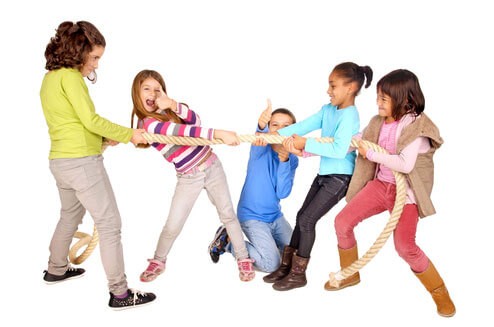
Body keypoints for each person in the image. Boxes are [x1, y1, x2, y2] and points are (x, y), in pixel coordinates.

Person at [40, 21, 156, 310]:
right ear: (78, 52)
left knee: (69, 216)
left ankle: (56, 269)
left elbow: (72, 122)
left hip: (61, 161)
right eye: (94, 58)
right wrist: (129, 134)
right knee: (110, 224)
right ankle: (120, 293)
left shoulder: (50, 79)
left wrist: (105, 137)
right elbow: (89, 120)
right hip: (82, 164)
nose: (95, 65)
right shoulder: (71, 78)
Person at [325, 69, 455, 317]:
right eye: (378, 97)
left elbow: (405, 164)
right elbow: (356, 140)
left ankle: (440, 292)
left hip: (405, 194)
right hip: (380, 186)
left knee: (405, 247)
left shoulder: (416, 126)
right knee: (342, 222)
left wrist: (371, 154)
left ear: (404, 100)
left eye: (384, 99)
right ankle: (349, 273)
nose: (377, 102)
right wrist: (313, 147)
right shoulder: (377, 122)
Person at [130, 69, 255, 282]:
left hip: (212, 165)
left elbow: (195, 120)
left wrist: (173, 105)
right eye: (147, 89)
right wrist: (219, 134)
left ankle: (243, 257)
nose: (152, 94)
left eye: (157, 90)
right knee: (173, 224)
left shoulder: (170, 112)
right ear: (137, 94)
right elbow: (184, 133)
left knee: (227, 214)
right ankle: (158, 260)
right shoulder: (148, 124)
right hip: (188, 176)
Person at [263, 62, 373, 291]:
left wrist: (305, 144)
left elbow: (338, 149)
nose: (328, 90)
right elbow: (303, 126)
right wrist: (270, 136)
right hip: (324, 174)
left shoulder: (350, 116)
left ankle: (298, 274)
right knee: (301, 215)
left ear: (351, 87)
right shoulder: (328, 111)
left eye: (333, 85)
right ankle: (286, 266)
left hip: (340, 178)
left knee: (307, 221)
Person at [208, 101, 299, 273]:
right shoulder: (260, 148)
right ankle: (228, 243)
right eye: (275, 125)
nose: (279, 130)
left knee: (295, 256)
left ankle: (268, 246)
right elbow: (259, 135)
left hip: (275, 217)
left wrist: (284, 161)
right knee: (270, 264)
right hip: (252, 217)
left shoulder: (292, 159)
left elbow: (283, 192)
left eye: (286, 126)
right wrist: (262, 126)